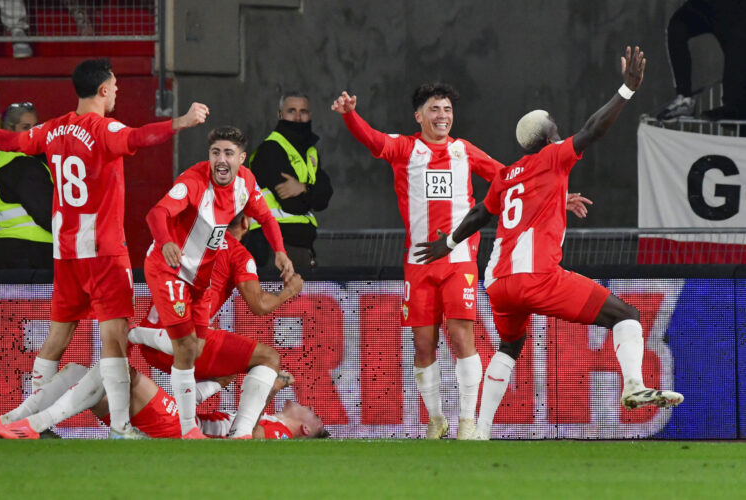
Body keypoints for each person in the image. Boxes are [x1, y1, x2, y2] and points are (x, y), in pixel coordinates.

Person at [415, 46, 684, 440]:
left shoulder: (507, 176)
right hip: (536, 277)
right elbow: (594, 130)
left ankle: (479, 432)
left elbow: (480, 214)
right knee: (626, 316)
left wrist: (448, 243)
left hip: (499, 284)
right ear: (548, 138)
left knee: (509, 346)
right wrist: (626, 90)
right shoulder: (554, 157)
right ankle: (632, 385)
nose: (562, 134)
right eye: (557, 130)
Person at [0, 58, 209, 438]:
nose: (117, 92)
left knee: (58, 336)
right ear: (104, 90)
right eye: (115, 86)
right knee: (115, 335)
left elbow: (12, 141)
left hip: (66, 252)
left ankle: (33, 420)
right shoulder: (104, 127)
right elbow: (139, 137)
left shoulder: (51, 128)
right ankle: (120, 426)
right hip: (103, 250)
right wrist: (182, 121)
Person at [331, 83, 505, 440]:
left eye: (447, 110)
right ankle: (437, 419)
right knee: (423, 343)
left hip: (459, 259)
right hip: (419, 263)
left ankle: (468, 423)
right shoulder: (405, 149)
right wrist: (350, 114)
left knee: (460, 336)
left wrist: (552, 194)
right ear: (419, 116)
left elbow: (507, 178)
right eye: (435, 110)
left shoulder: (464, 151)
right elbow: (372, 139)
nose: (443, 116)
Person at [144, 125, 294, 438]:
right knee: (260, 356)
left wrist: (280, 251)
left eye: (228, 153)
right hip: (171, 269)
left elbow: (267, 217)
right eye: (215, 153)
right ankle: (221, 431)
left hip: (194, 283)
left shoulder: (245, 185)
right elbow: (157, 213)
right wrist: (166, 241)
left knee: (201, 350)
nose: (221, 159)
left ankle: (181, 407)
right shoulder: (193, 182)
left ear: (241, 158)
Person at [129, 210, 304, 438]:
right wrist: (289, 291)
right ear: (245, 222)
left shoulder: (190, 237)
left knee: (231, 364)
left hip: (155, 343)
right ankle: (241, 434)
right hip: (183, 339)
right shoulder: (238, 254)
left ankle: (185, 403)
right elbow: (259, 305)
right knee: (269, 358)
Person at [0, 362, 326, 439]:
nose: (309, 407)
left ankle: (33, 425)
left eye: (313, 415)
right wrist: (217, 384)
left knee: (116, 367)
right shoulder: (266, 417)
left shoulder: (280, 434)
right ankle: (10, 421)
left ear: (305, 430)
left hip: (180, 430)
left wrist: (267, 390)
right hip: (179, 421)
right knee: (78, 371)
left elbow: (246, 440)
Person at [246, 91, 333, 269]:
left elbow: (325, 196)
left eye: (304, 111)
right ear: (280, 115)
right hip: (274, 249)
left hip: (299, 249)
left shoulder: (310, 152)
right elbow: (293, 204)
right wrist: (311, 193)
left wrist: (303, 188)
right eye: (291, 111)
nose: (298, 117)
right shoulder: (270, 150)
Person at [657, 0, 746, 120]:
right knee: (677, 28)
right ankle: (684, 99)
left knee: (736, 47)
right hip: (703, 5)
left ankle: (734, 107)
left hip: (733, 8)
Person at [0, 102, 53, 268]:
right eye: (26, 127)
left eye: (36, 127)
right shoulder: (23, 165)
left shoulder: (1, 161)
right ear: (8, 130)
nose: (33, 133)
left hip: (8, 253)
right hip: (31, 255)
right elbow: (47, 212)